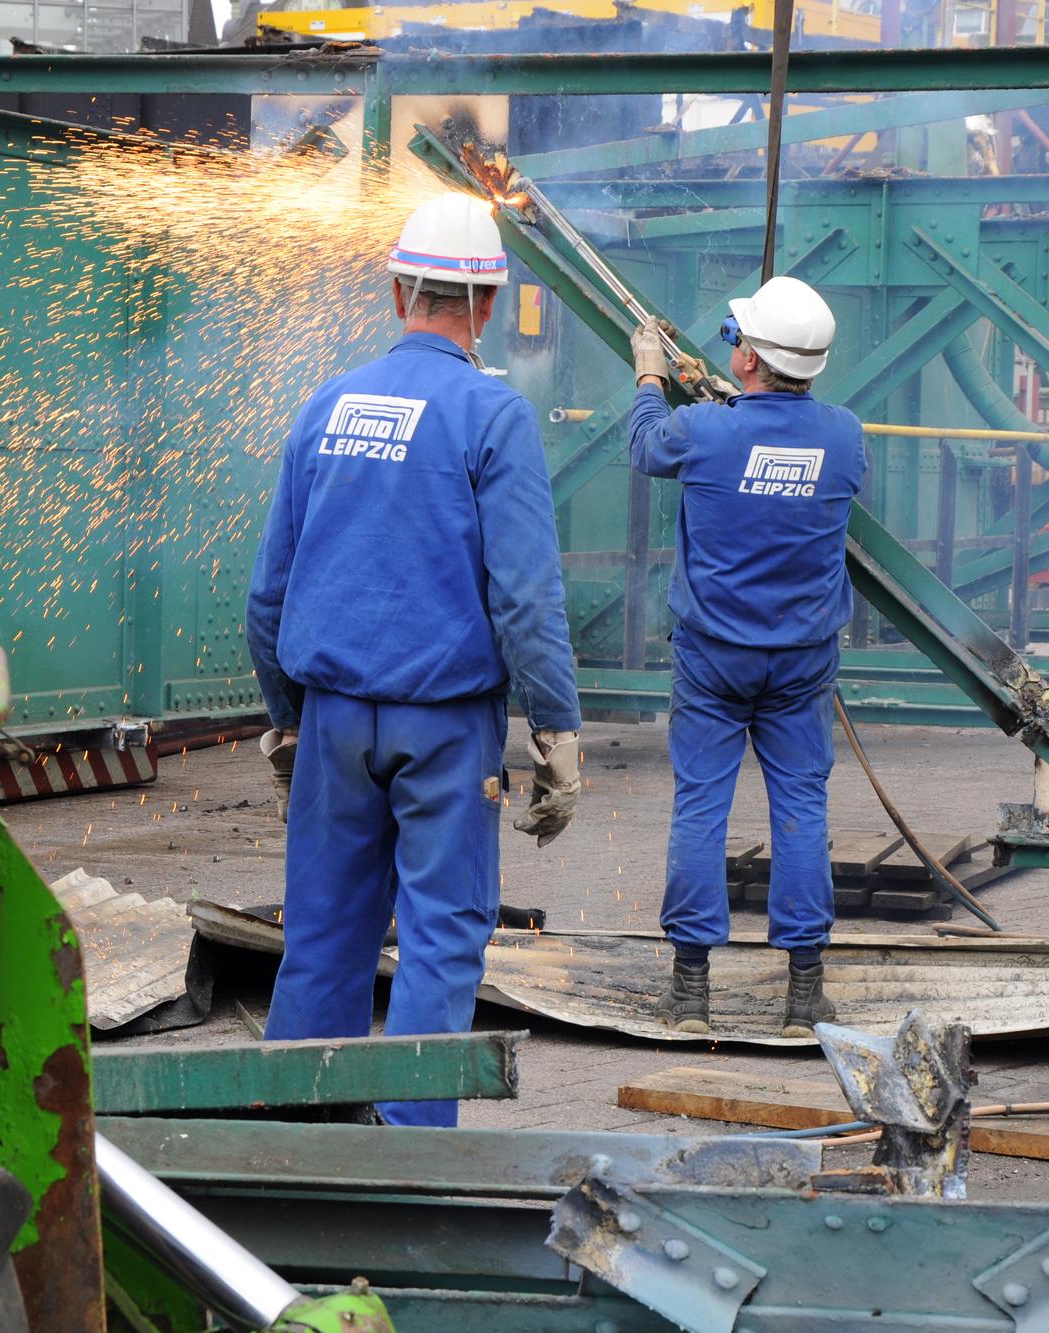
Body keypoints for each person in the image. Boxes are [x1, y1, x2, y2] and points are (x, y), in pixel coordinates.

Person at [245, 192, 583, 1126]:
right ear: (483, 308)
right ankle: (407, 1149)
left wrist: (284, 717)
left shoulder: (327, 403)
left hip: (332, 720)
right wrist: (556, 728)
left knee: (323, 930)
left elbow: (268, 590)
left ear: (401, 293)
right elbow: (524, 595)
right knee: (440, 936)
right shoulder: (493, 414)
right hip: (443, 730)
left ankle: (295, 1134)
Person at [626, 276, 866, 1039]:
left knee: (702, 803)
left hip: (712, 659)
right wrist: (735, 401)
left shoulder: (702, 431)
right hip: (800, 662)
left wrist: (650, 373)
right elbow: (773, 441)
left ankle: (691, 993)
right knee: (802, 807)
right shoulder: (845, 436)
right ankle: (804, 996)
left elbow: (644, 445)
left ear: (752, 360)